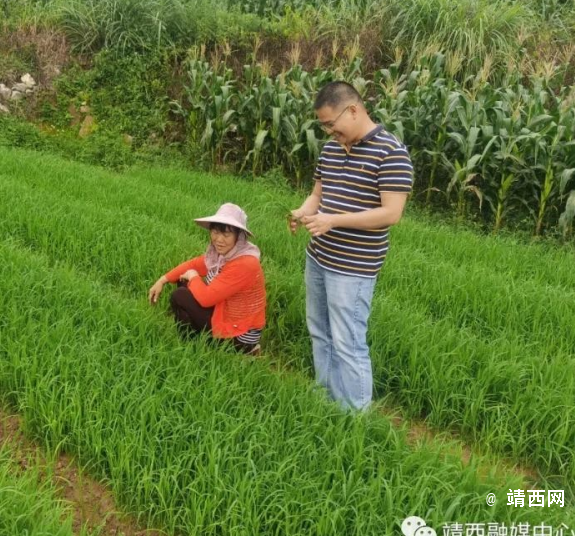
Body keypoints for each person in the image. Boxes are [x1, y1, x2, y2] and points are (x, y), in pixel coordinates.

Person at [289, 81, 413, 411]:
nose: (329, 131)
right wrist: (303, 212)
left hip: (353, 267)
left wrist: (333, 220)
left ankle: (355, 416)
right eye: (324, 126)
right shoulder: (331, 150)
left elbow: (392, 213)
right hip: (318, 256)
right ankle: (327, 399)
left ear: (353, 110)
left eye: (332, 123)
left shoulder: (392, 153)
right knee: (320, 331)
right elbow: (318, 195)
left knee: (348, 341)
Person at [148, 203, 266, 355]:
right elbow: (195, 264)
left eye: (226, 234)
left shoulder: (245, 263)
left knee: (180, 295)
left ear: (239, 236)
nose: (219, 239)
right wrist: (162, 280)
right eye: (215, 232)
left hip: (239, 336)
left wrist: (194, 276)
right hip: (224, 313)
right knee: (183, 281)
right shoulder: (223, 254)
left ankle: (194, 348)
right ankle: (193, 342)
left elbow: (206, 299)